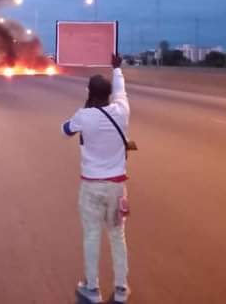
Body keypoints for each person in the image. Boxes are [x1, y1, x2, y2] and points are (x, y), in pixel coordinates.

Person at [62, 54, 131, 304]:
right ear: (110, 93)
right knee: (117, 235)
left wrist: (85, 108)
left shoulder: (84, 116)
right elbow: (122, 91)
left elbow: (65, 130)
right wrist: (117, 69)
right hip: (117, 187)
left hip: (91, 186)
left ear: (89, 92)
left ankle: (92, 289)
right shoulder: (122, 111)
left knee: (92, 235)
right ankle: (121, 289)